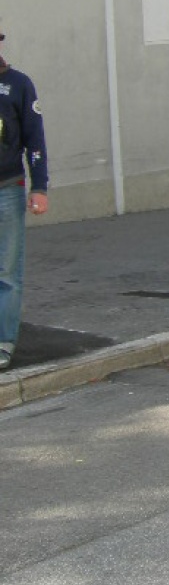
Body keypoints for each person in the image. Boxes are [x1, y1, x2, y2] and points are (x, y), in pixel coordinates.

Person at [0, 30, 48, 372]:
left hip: (8, 189)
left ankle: (3, 342)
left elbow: (35, 138)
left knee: (6, 272)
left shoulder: (19, 84)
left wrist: (40, 186)